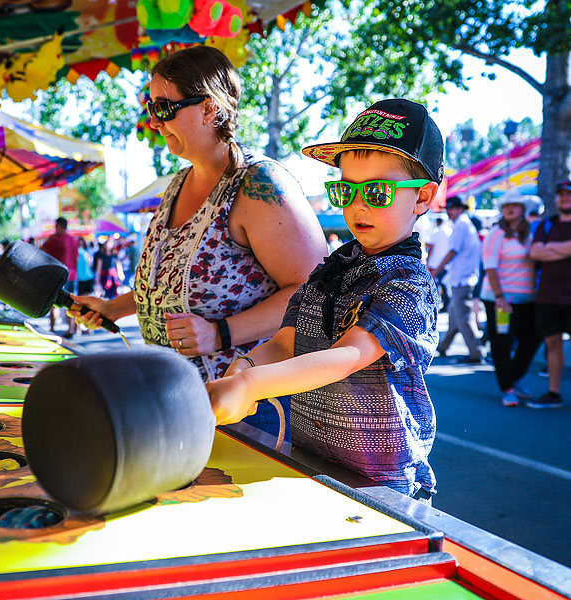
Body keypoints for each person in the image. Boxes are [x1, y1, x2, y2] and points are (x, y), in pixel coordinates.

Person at [206, 98, 443, 502]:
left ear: (422, 199)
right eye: (345, 190)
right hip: (308, 462)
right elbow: (286, 342)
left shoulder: (409, 282)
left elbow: (346, 357)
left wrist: (250, 385)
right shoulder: (334, 266)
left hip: (383, 486)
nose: (357, 205)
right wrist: (241, 366)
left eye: (378, 192)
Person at [69, 45, 326, 386]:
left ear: (208, 108)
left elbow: (315, 291)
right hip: (179, 398)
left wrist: (221, 333)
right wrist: (111, 309)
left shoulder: (258, 183)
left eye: (164, 108)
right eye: (151, 108)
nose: (153, 122)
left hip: (248, 405)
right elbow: (171, 292)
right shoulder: (178, 182)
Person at [479, 191, 542, 407]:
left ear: (523, 209)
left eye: (514, 205)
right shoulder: (497, 232)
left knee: (533, 337)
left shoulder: (529, 232)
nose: (510, 209)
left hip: (527, 299)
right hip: (501, 300)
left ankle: (513, 379)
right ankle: (508, 388)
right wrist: (500, 297)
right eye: (506, 206)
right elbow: (490, 267)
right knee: (502, 343)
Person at [528, 178, 571, 408]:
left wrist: (550, 249)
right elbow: (535, 252)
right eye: (561, 194)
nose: (565, 198)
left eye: (568, 194)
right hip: (548, 296)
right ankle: (553, 393)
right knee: (552, 345)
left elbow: (543, 251)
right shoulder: (547, 225)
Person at [431, 196, 484, 363]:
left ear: (460, 209)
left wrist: (436, 270)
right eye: (448, 209)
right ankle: (444, 346)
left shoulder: (461, 225)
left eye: (452, 208)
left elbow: (452, 251)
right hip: (463, 277)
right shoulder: (464, 224)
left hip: (463, 278)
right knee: (456, 315)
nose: (449, 212)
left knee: (464, 317)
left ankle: (476, 352)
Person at [41, 217, 79, 337]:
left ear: (58, 226)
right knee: (71, 303)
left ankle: (52, 329)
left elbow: (42, 252)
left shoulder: (55, 240)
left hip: (58, 276)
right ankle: (70, 328)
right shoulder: (73, 240)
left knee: (53, 302)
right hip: (72, 275)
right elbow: (76, 258)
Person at [422, 217, 452, 312]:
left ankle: (436, 303)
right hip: (446, 262)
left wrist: (428, 259)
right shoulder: (450, 231)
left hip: (435, 262)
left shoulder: (436, 232)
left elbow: (431, 247)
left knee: (434, 285)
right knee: (445, 284)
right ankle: (447, 303)